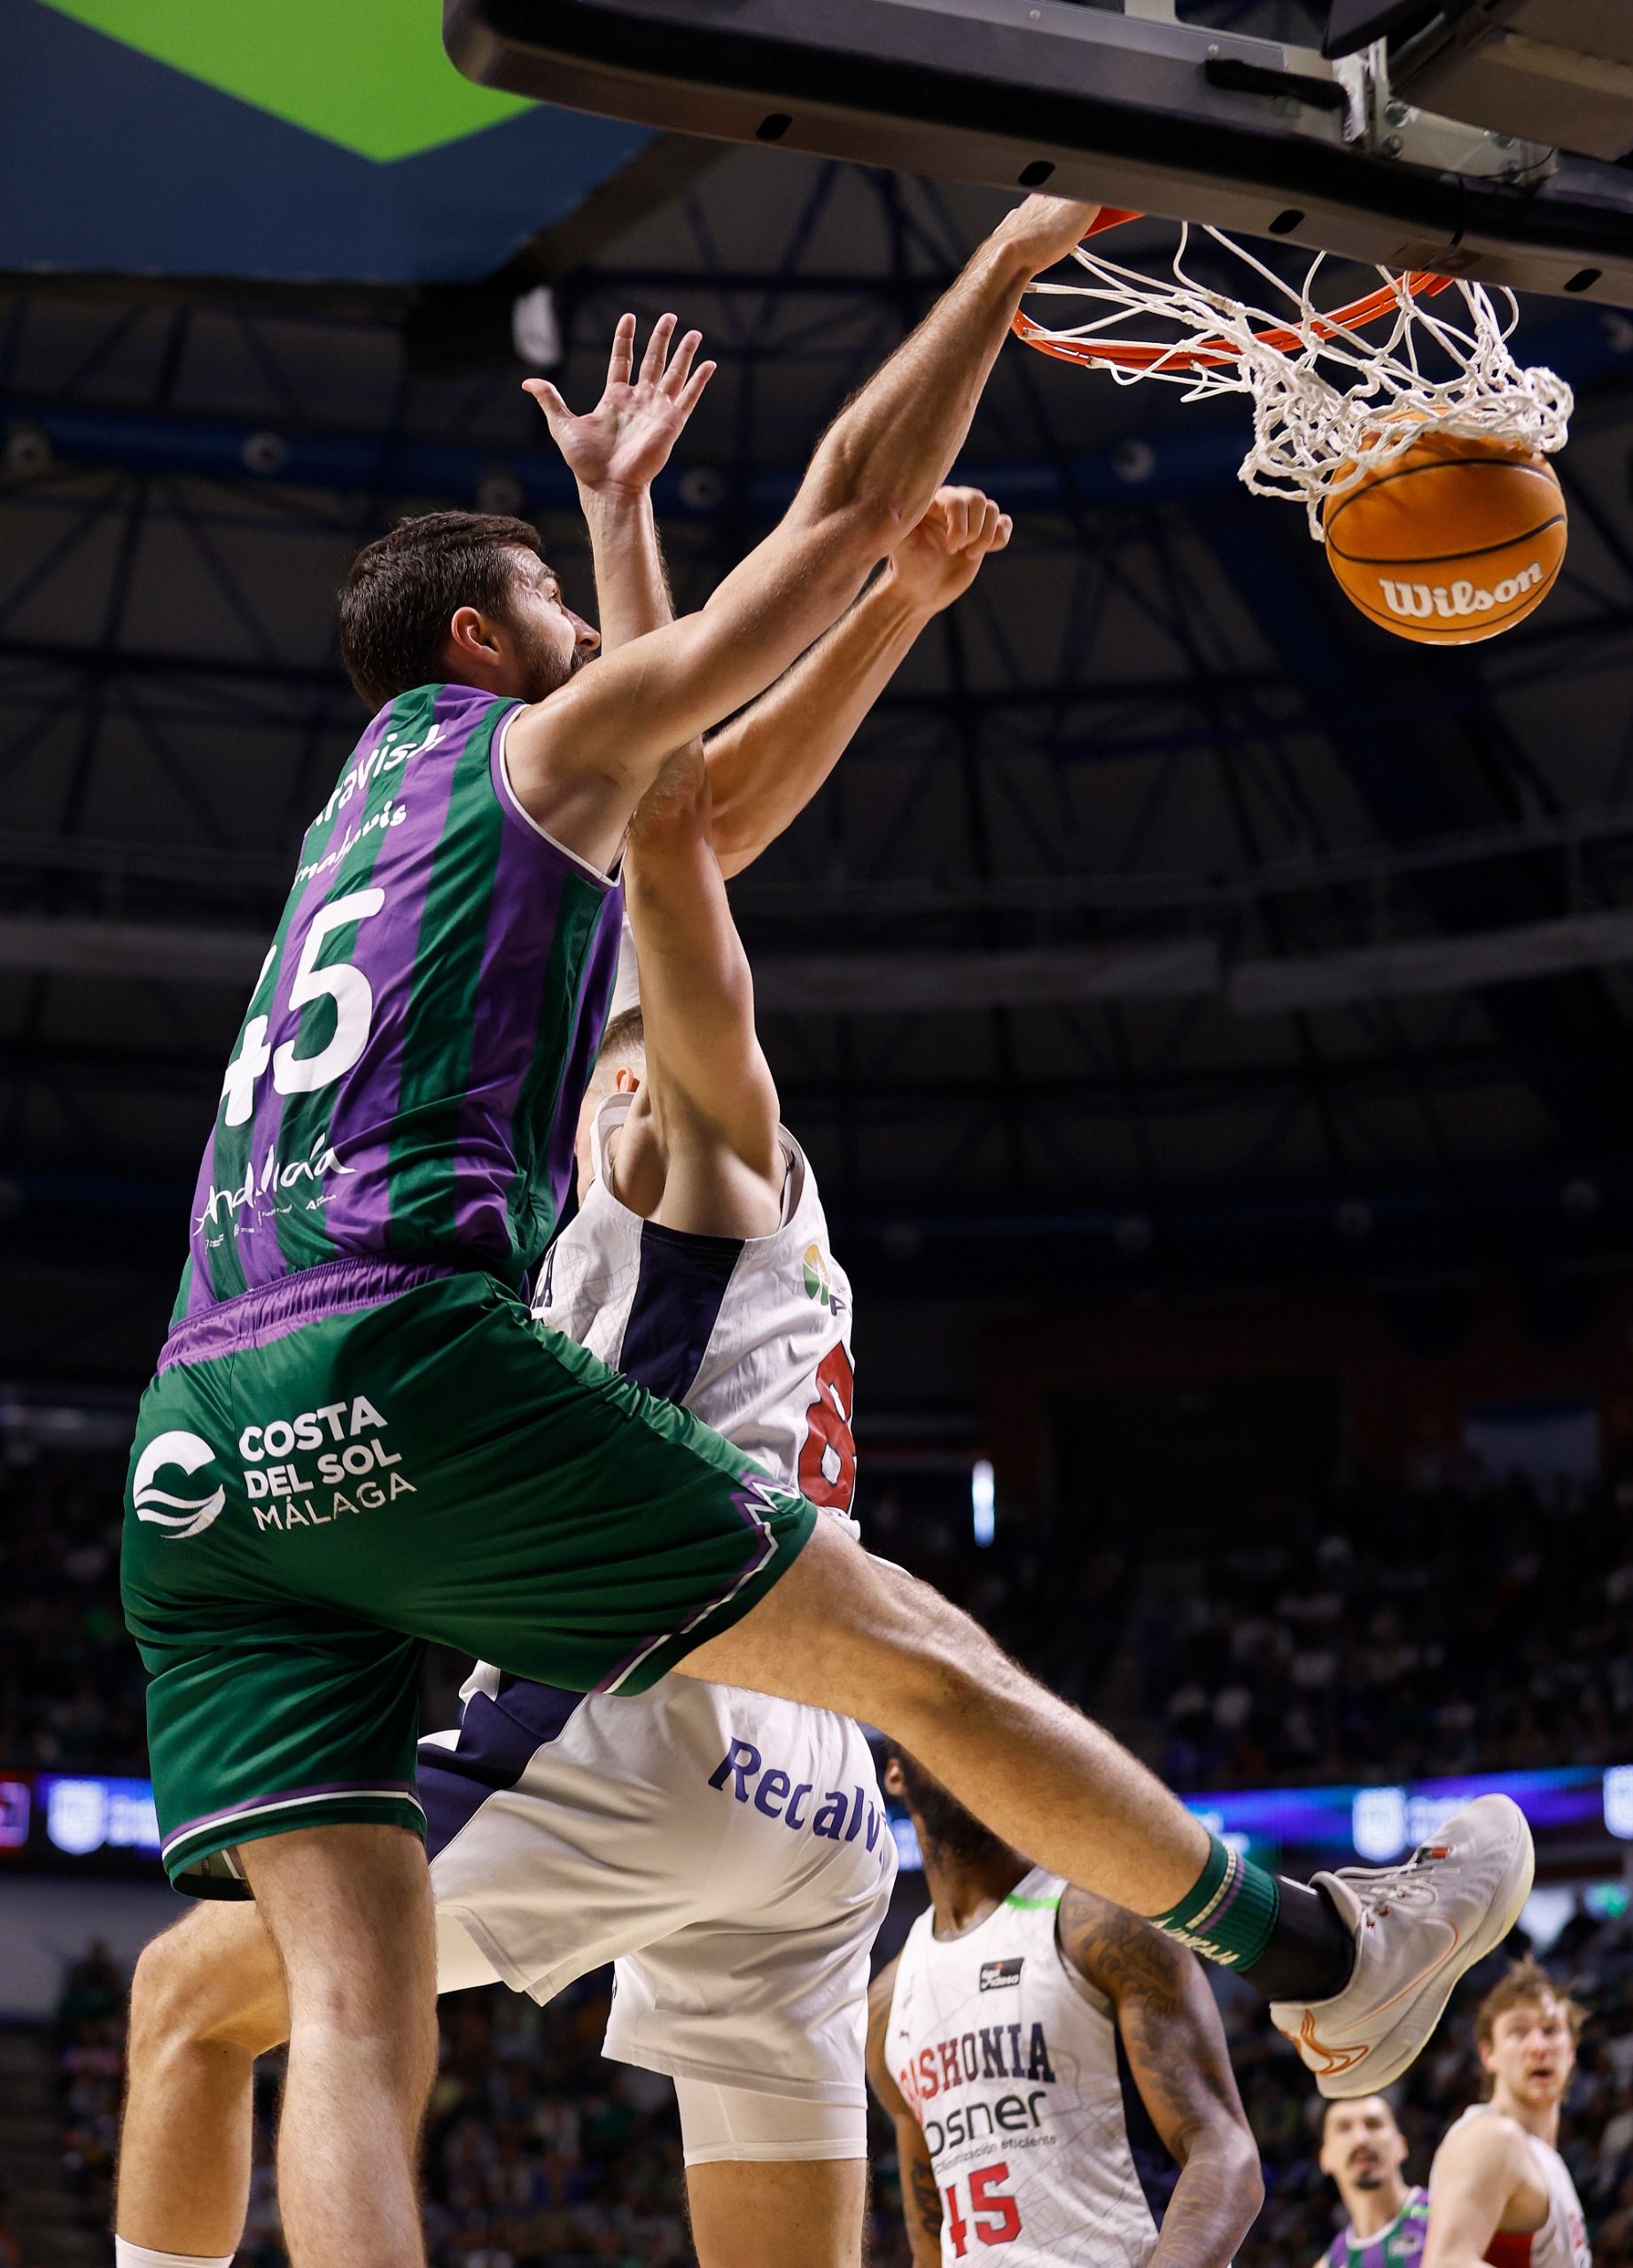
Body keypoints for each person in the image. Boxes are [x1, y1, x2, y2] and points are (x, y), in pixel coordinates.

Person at [120, 190, 1535, 2268]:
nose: (608, 662)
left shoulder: (358, 831)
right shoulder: (553, 804)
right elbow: (810, 564)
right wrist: (1017, 249)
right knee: (924, 1661)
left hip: (200, 1425)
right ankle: (1319, 1943)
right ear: (485, 649)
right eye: (575, 628)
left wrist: (641, 540)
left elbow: (683, 820)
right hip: (485, 1457)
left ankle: (1328, 1940)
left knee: (319, 2003)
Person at [116, 439, 1015, 2268]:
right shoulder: (745, 1111)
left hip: (636, 1696)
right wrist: (895, 612)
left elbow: (689, 803)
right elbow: (701, 801)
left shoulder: (572, 1010)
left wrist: (816, 580)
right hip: (820, 1787)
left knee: (189, 2006)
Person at [866, 1749, 1264, 2268]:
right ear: (894, 1773)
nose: (954, 1737)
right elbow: (933, 2239)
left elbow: (1225, 2152)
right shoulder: (889, 2002)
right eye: (930, 1721)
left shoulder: (1100, 1921)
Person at [1424, 1959, 1590, 2268]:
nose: (1538, 2046)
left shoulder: (1543, 2158)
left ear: (1571, 2052)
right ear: (1489, 2055)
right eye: (1518, 2031)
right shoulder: (1491, 2137)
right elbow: (1447, 2263)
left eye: (1551, 2030)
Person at [1317, 2096, 1429, 2268]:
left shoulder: (1441, 2215)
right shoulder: (1330, 2262)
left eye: (1373, 2124)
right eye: (1344, 2128)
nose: (1361, 2139)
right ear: (1325, 2158)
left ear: (1401, 2146)